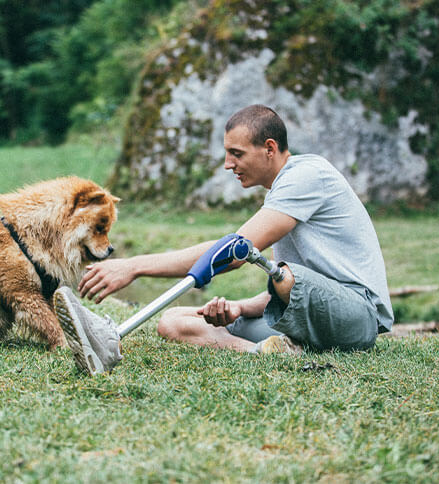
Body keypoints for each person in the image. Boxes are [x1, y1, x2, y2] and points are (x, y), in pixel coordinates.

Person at [73, 104, 394, 357]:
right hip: (312, 319)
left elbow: (236, 252)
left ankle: (278, 346)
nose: (228, 164)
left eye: (236, 153)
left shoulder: (307, 175)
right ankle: (267, 354)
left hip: (356, 318)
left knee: (286, 275)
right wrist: (239, 308)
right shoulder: (281, 193)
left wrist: (134, 266)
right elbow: (285, 292)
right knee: (175, 321)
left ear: (270, 148)